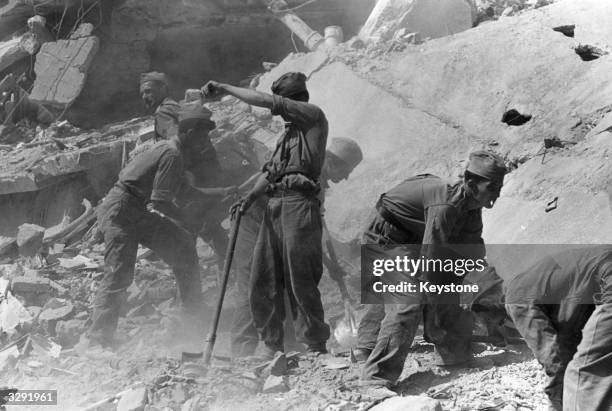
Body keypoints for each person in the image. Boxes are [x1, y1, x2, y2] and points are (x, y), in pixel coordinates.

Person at [356, 150, 507, 397]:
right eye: (492, 187)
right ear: (471, 183)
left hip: (414, 237)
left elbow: (472, 254)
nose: (497, 194)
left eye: (500, 187)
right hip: (386, 238)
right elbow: (432, 264)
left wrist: (488, 292)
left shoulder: (470, 206)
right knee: (409, 301)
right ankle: (375, 378)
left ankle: (455, 356)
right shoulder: (446, 204)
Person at [202, 71, 330, 357]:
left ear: (293, 101)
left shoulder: (312, 116)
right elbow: (270, 172)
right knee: (264, 277)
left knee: (300, 278)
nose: (278, 112)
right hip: (275, 204)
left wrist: (224, 85)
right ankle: (270, 344)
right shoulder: (287, 136)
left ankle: (314, 345)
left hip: (298, 202)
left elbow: (264, 101)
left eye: (282, 103)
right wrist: (249, 198)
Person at [82, 104, 215, 348]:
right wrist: (186, 219)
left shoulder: (170, 150)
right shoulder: (172, 154)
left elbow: (182, 190)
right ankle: (97, 340)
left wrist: (219, 192)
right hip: (121, 211)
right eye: (202, 134)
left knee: (182, 247)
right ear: (189, 132)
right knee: (119, 274)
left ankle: (193, 316)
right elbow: (160, 201)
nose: (205, 140)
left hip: (134, 210)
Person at [230, 137, 363, 358]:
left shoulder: (315, 180)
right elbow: (304, 231)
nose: (346, 177)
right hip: (251, 221)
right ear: (331, 160)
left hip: (277, 223)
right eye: (346, 170)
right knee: (253, 283)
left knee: (283, 280)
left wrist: (330, 263)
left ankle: (287, 344)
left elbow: (309, 228)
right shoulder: (304, 169)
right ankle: (242, 350)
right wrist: (328, 264)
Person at [138, 72, 234, 267]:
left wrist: (180, 178)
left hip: (188, 179)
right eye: (142, 93)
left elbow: (177, 145)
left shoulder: (164, 112)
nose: (144, 97)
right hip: (201, 175)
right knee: (208, 228)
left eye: (149, 91)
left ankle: (220, 276)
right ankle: (231, 271)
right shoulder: (177, 107)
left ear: (163, 89)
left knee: (191, 231)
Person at [503, 246, 612, 411]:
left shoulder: (516, 298)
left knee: (582, 370)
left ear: (487, 303)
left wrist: (556, 404)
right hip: (605, 273)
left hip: (607, 277)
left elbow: (553, 357)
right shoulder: (533, 285)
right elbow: (570, 343)